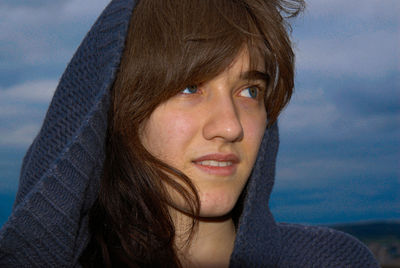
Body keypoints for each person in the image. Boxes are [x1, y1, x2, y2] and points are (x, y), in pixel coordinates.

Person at [0, 0, 379, 267]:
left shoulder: (329, 260)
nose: (230, 126)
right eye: (190, 87)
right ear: (119, 109)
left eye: (250, 91)